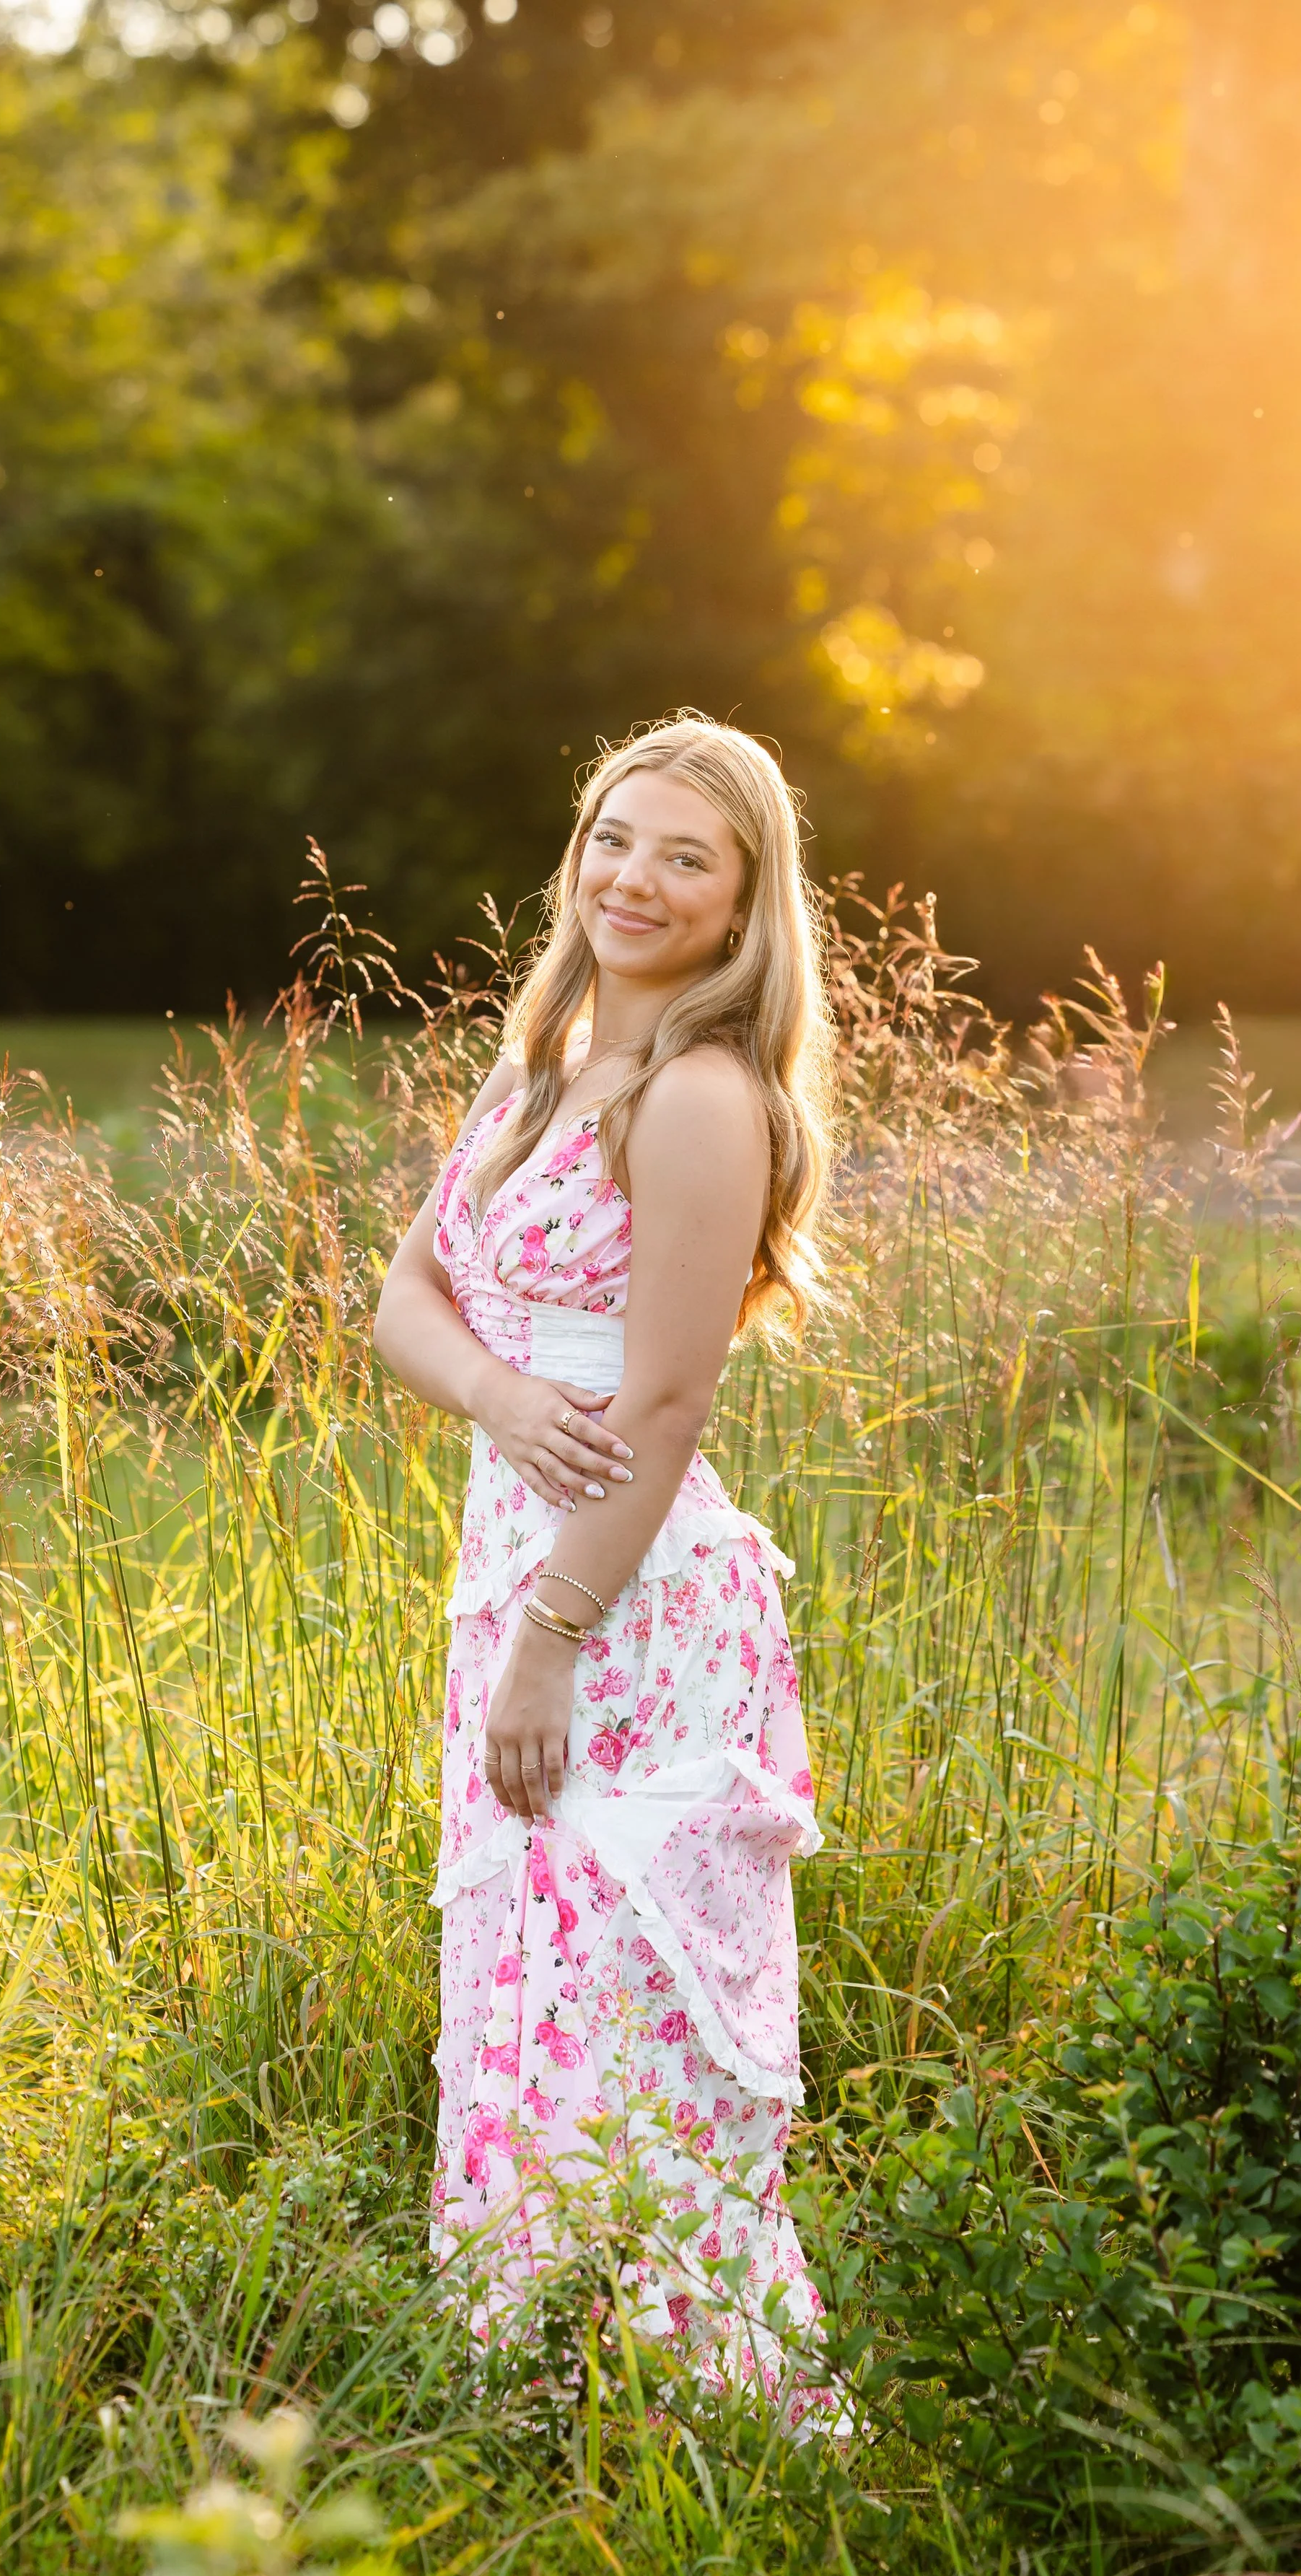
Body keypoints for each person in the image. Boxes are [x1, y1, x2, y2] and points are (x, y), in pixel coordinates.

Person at [373, 714, 836, 2414]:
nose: (635, 878)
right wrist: (496, 1389)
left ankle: (699, 2404)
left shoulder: (702, 1097)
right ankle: (527, 2380)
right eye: (614, 840)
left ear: (738, 907)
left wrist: (552, 1634)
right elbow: (402, 1305)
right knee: (517, 1980)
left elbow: (659, 1407)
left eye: (683, 858)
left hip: (625, 1610)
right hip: (513, 1573)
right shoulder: (535, 1072)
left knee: (621, 1993)